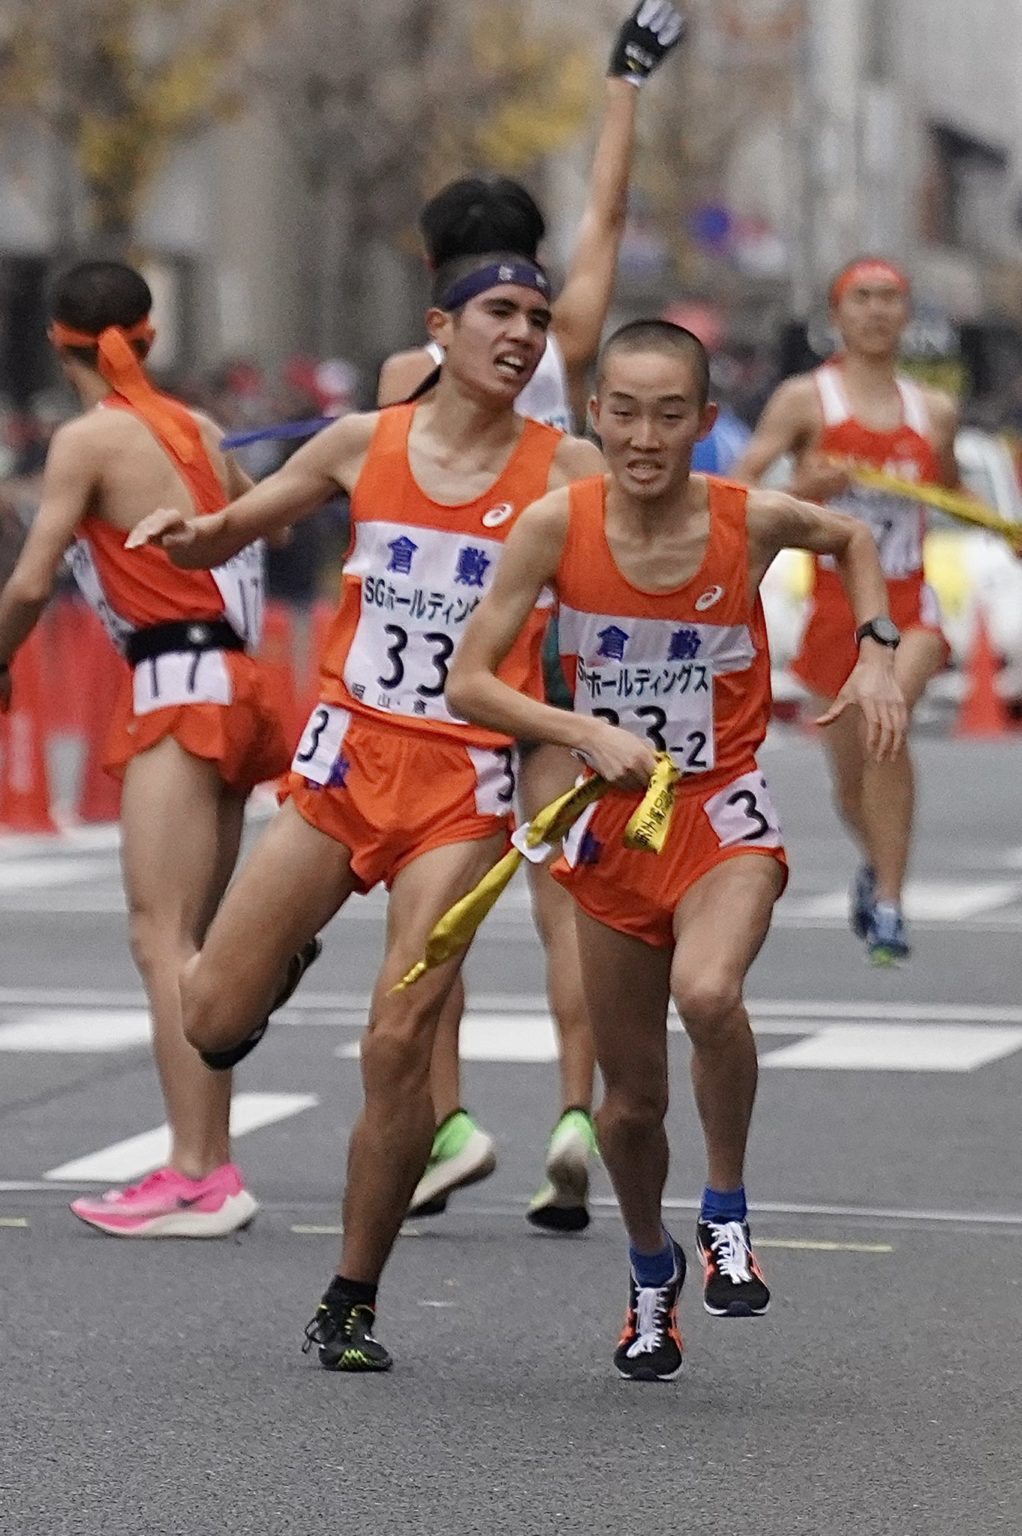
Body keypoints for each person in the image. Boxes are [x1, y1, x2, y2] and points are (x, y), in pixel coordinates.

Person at [129, 254, 605, 1370]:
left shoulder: (563, 468)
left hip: (464, 787)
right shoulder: (362, 443)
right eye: (500, 312)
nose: (523, 335)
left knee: (395, 1040)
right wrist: (188, 537)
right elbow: (242, 524)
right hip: (346, 763)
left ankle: (352, 1294)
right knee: (209, 1018)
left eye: (539, 319)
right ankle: (279, 958)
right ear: (440, 325)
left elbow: (642, 566)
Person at [445, 319, 905, 1379]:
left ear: (702, 423)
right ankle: (650, 1268)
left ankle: (727, 1212)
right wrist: (578, 732)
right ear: (593, 415)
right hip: (611, 831)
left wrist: (875, 652)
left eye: (668, 414)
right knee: (630, 1103)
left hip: (719, 810)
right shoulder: (556, 527)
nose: (644, 436)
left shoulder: (745, 520)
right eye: (624, 410)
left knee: (707, 994)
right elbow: (470, 680)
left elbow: (853, 541)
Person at [379, 0, 688, 1233]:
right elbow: (605, 216)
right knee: (570, 896)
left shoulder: (422, 374)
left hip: (446, 675)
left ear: (430, 272)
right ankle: (574, 1106)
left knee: (429, 900)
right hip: (553, 658)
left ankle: (446, 1118)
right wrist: (622, 83)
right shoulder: (557, 341)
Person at [0, 260, 302, 1237]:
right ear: (151, 338)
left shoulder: (84, 439)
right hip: (237, 682)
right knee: (196, 949)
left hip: (175, 688)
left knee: (159, 935)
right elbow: (273, 514)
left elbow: (32, 581)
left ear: (59, 341)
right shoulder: (202, 430)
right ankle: (207, 1168)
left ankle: (192, 1174)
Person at [733, 257, 960, 963]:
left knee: (887, 721)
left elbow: (950, 495)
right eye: (861, 298)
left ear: (906, 312)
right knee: (851, 785)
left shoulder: (935, 410)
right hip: (838, 618)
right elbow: (740, 491)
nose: (876, 311)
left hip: (910, 611)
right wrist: (807, 483)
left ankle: (891, 901)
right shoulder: (807, 400)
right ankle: (875, 867)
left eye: (890, 298)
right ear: (838, 314)